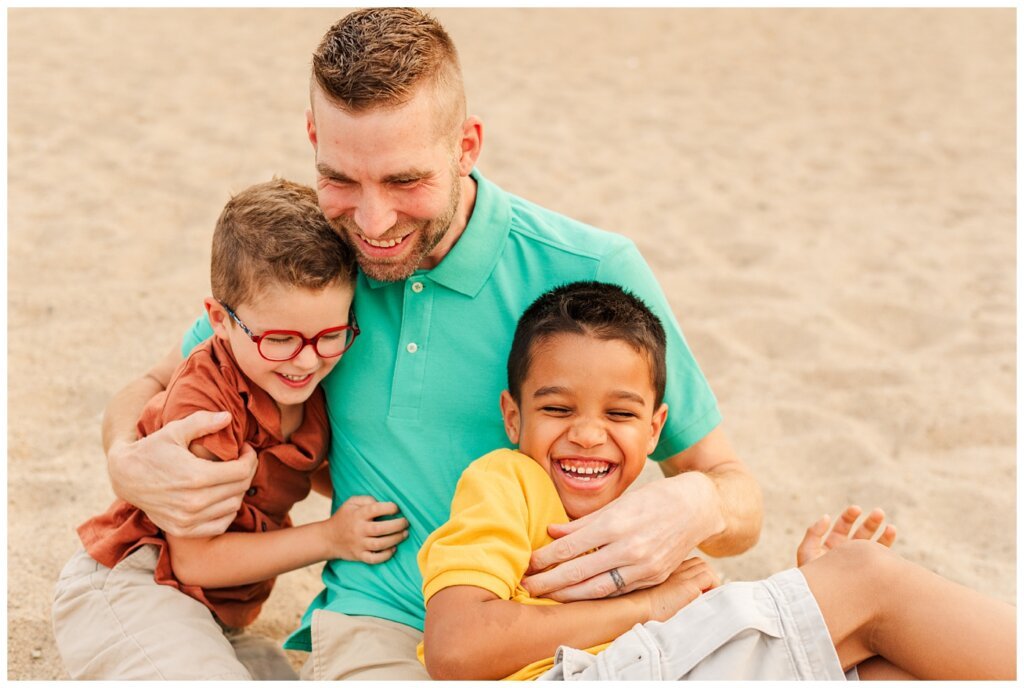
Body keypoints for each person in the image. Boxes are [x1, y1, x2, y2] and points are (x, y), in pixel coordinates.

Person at [99, 8, 763, 679]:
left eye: (404, 180)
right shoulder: (314, 269)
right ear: (312, 136)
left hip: (567, 624)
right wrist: (125, 458)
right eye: (341, 178)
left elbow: (737, 495)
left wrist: (696, 503)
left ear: (467, 146)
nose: (372, 220)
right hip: (379, 623)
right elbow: (156, 383)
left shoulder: (594, 269)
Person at [418, 281, 1016, 681]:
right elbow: (456, 646)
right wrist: (650, 605)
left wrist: (803, 587)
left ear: (655, 431)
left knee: (882, 668)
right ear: (512, 416)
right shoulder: (507, 480)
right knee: (867, 579)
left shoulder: (637, 525)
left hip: (638, 666)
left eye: (619, 414)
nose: (588, 434)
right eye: (558, 409)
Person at [52, 179, 409, 680]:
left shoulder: (309, 386)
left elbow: (310, 469)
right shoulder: (207, 405)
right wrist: (331, 537)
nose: (306, 361)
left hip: (213, 617)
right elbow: (196, 562)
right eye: (280, 339)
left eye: (329, 334)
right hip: (134, 581)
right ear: (219, 319)